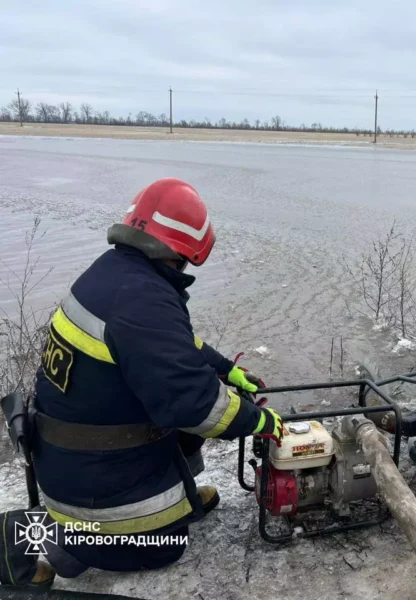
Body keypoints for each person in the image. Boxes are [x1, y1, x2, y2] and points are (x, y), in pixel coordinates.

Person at [0, 178, 282, 587]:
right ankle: (29, 532)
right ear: (187, 249)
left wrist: (225, 369)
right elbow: (196, 405)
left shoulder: (115, 274)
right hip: (88, 480)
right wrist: (260, 421)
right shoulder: (143, 299)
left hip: (71, 459)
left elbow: (171, 346)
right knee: (166, 545)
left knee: (181, 420)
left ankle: (172, 500)